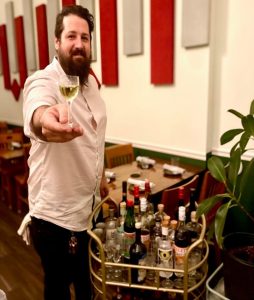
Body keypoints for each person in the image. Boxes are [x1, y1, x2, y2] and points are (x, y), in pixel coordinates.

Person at [22, 5, 108, 300]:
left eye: (85, 37)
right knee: (58, 291)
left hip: (88, 212)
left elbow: (96, 138)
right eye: (71, 36)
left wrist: (101, 178)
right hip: (55, 221)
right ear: (57, 42)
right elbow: (39, 111)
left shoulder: (92, 85)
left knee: (87, 287)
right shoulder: (44, 80)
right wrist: (45, 120)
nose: (79, 44)